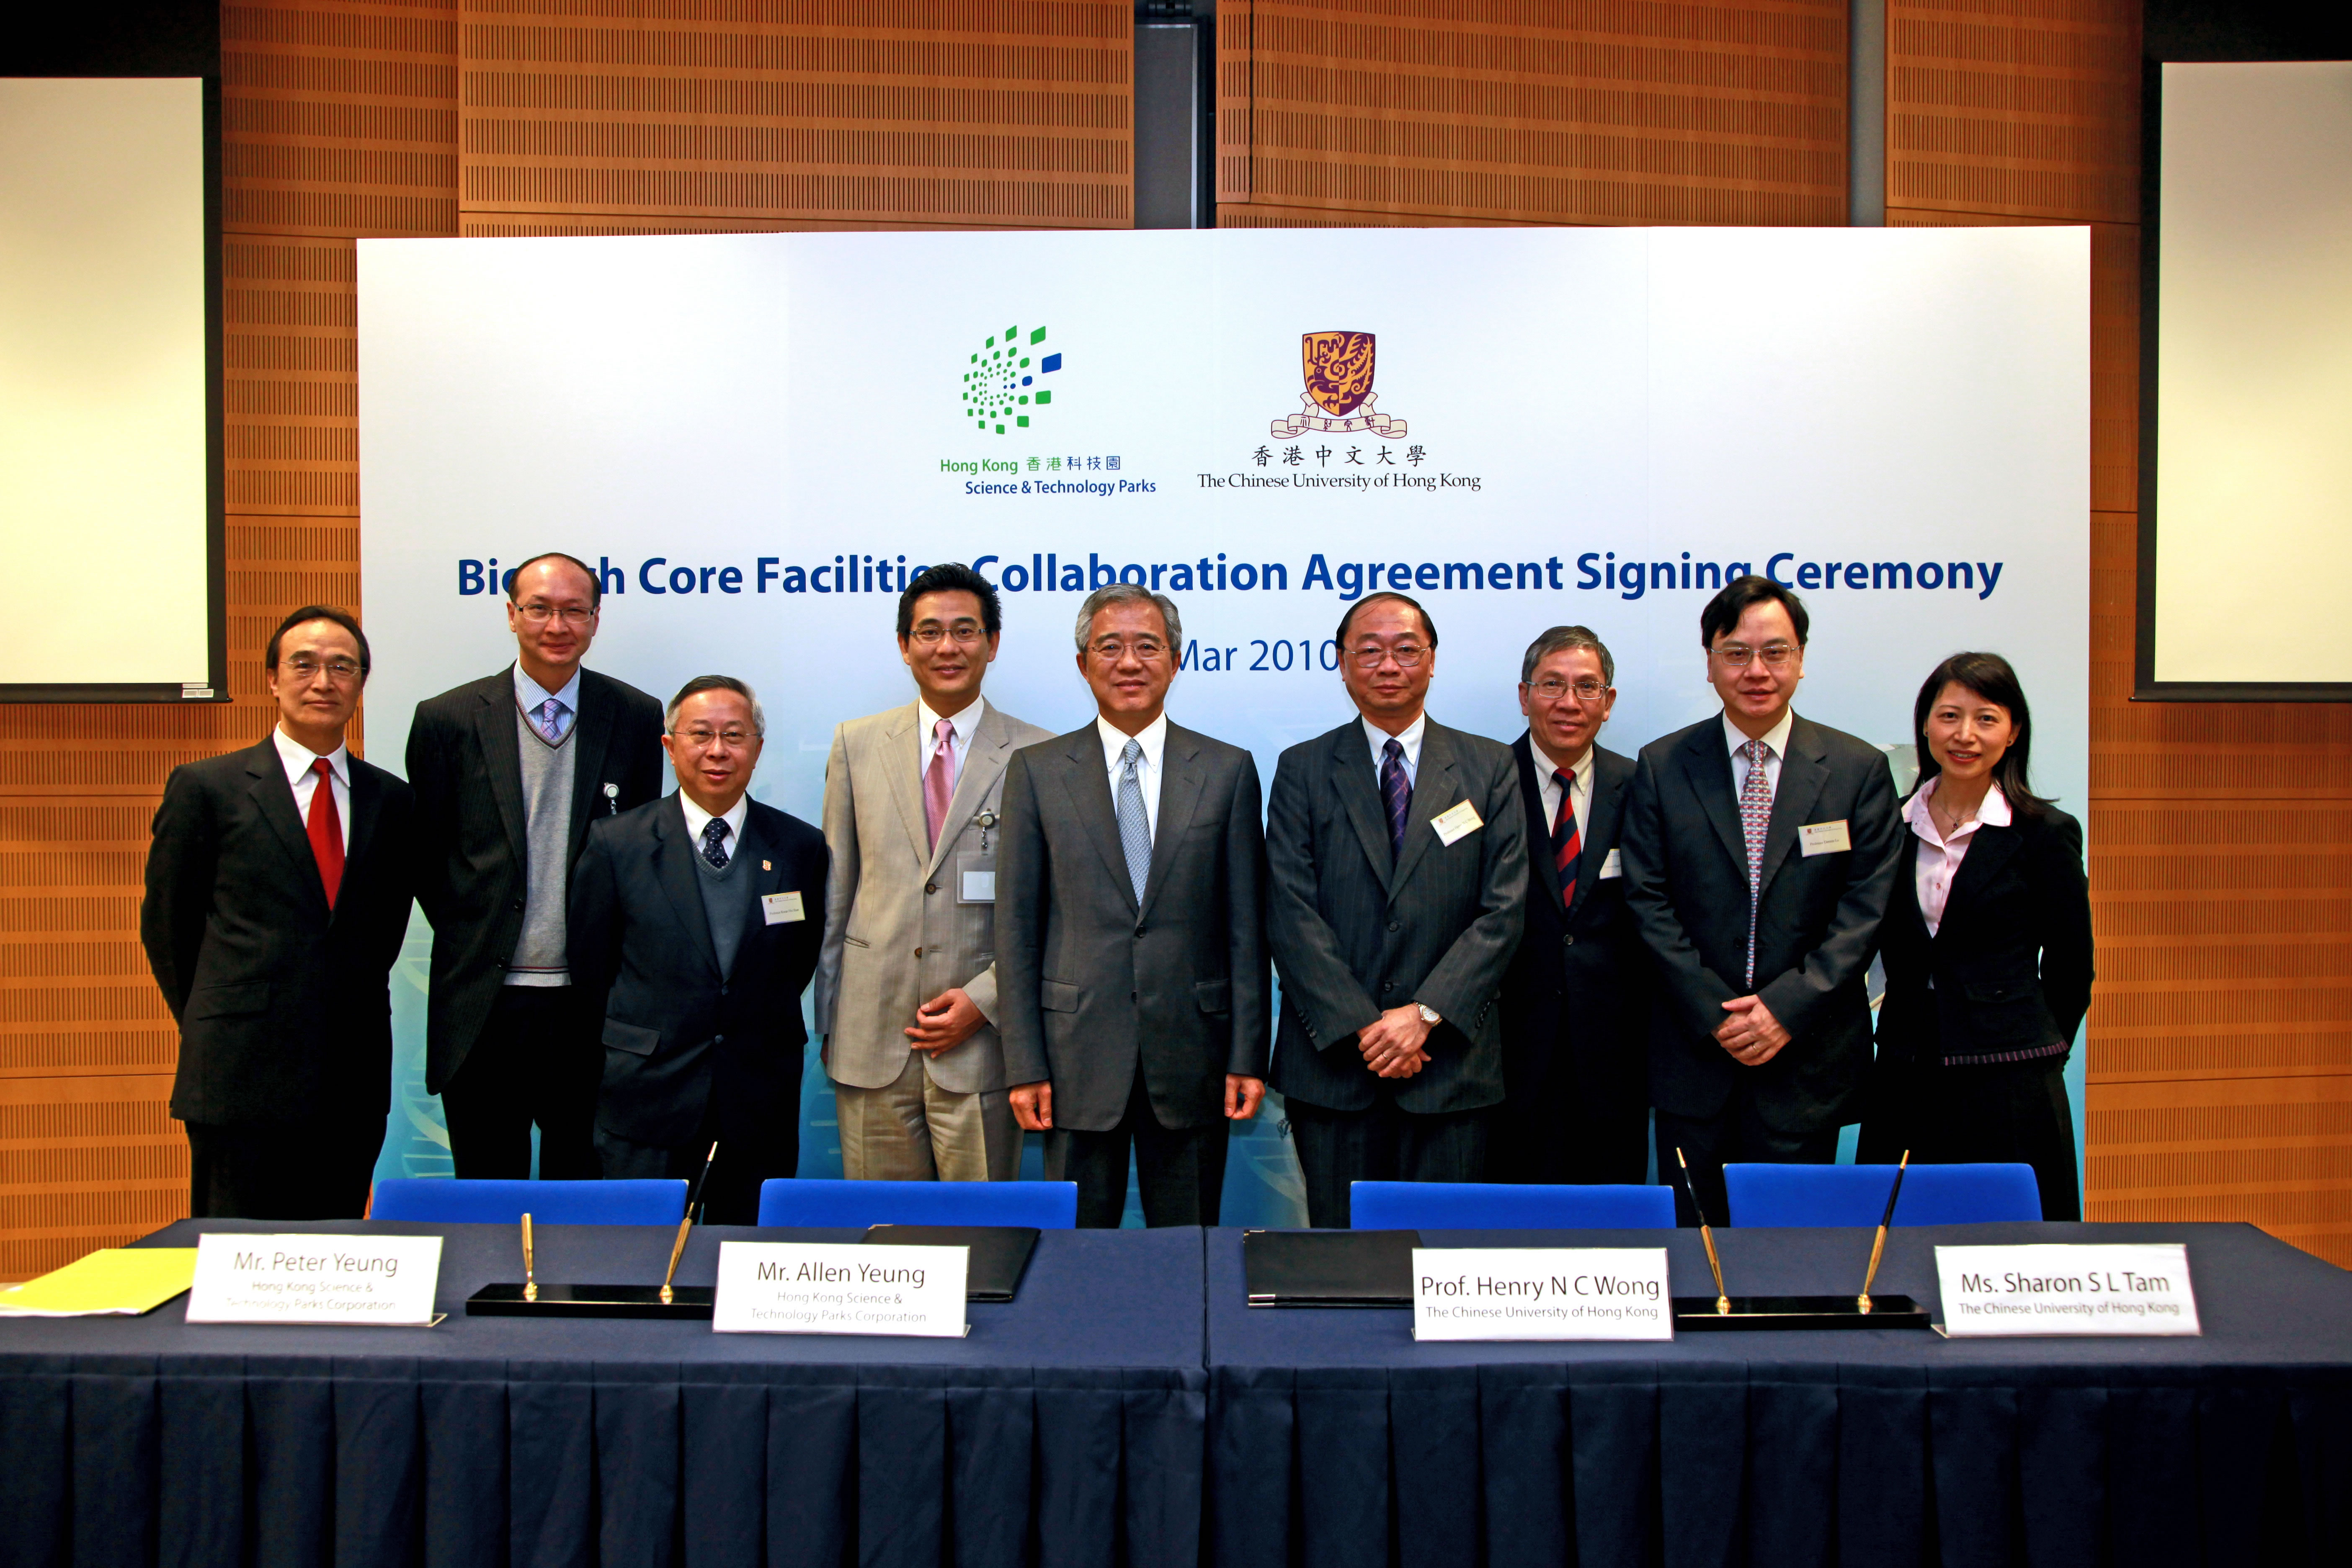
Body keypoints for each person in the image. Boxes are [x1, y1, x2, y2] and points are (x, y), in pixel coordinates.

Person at [1622, 576, 1904, 1223]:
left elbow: (1865, 910)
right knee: (1696, 1253)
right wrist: (1715, 1013)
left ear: (1801, 660)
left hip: (1804, 1059)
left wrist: (1783, 1010)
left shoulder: (1856, 770)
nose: (1757, 670)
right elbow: (1647, 900)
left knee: (1794, 1254)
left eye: (1775, 652)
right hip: (1696, 1057)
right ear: (1712, 661)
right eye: (1737, 653)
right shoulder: (1664, 766)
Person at [997, 584, 1269, 1227]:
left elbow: (1246, 931)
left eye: (1148, 646)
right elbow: (1016, 930)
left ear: (1177, 660)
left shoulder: (1227, 770)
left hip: (1194, 1056)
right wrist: (1025, 1064)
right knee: (1073, 1254)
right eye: (1109, 647)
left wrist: (1246, 1057)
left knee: (1190, 1252)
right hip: (1073, 1059)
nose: (1129, 662)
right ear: (1083, 663)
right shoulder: (1036, 771)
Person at [140, 606, 416, 1218]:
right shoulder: (207, 788)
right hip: (238, 1072)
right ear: (272, 678)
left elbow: (382, 931)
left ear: (361, 684)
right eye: (305, 664)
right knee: (237, 1267)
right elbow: (168, 925)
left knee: (336, 1260)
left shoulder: (391, 801)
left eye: (342, 667)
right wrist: (220, 1016)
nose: (324, 681)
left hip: (350, 1075)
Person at [1264, 591, 1527, 1228]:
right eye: (1371, 651)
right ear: (1342, 662)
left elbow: (1504, 909)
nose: (1389, 665)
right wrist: (1366, 1026)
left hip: (1449, 1069)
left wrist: (1425, 1015)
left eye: (1407, 650)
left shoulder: (1489, 766)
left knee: (1443, 1261)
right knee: (1342, 1259)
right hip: (1335, 1069)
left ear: (1432, 661)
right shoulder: (1302, 768)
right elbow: (1290, 911)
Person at [405, 552, 666, 1180]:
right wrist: (484, 930)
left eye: (574, 610)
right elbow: (428, 860)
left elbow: (635, 856)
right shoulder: (447, 719)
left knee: (582, 1197)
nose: (558, 625)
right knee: (487, 1198)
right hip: (483, 1005)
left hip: (588, 1005)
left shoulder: (634, 717)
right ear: (511, 615)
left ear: (596, 620)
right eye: (541, 609)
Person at [815, 564, 1052, 1181]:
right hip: (872, 1038)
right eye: (929, 632)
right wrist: (831, 1023)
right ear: (904, 646)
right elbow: (838, 892)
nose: (947, 647)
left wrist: (985, 1001)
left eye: (966, 631)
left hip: (984, 1047)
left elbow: (1057, 910)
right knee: (883, 1240)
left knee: (982, 1243)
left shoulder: (1042, 755)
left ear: (992, 644)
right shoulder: (855, 744)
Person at [568, 676, 826, 1224]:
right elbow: (593, 969)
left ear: (757, 747)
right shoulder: (617, 844)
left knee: (746, 1269)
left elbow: (797, 958)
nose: (717, 751)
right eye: (701, 734)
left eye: (734, 735)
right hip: (646, 1099)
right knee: (638, 1268)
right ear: (669, 746)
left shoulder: (800, 846)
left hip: (757, 1095)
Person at [1859, 653, 2093, 1219]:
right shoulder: (1888, 826)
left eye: (1986, 719)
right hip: (1905, 1073)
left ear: (2014, 732)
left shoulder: (2043, 834)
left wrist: (2036, 1055)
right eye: (1949, 716)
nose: (1965, 735)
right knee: (1894, 1243)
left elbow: (2071, 966)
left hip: (2011, 1079)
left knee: (2011, 1248)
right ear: (1925, 724)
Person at [1494, 625, 1651, 1184]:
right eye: (1552, 685)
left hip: (1614, 1059)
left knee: (1610, 1234)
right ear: (1524, 695)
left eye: (1587, 688)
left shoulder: (1641, 787)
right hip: (1506, 1056)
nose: (1568, 703)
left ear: (1608, 703)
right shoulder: (1481, 781)